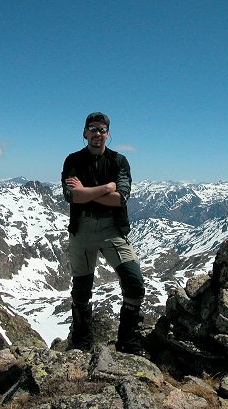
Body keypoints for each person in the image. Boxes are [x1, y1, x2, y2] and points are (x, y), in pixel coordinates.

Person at [61, 112, 145, 354]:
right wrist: (107, 188)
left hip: (112, 229)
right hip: (82, 230)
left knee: (134, 281)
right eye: (93, 129)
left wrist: (87, 192)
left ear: (108, 134)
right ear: (85, 133)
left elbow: (121, 200)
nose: (97, 133)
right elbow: (71, 196)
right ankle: (81, 343)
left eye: (102, 129)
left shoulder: (119, 161)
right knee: (81, 289)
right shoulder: (73, 160)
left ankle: (127, 342)